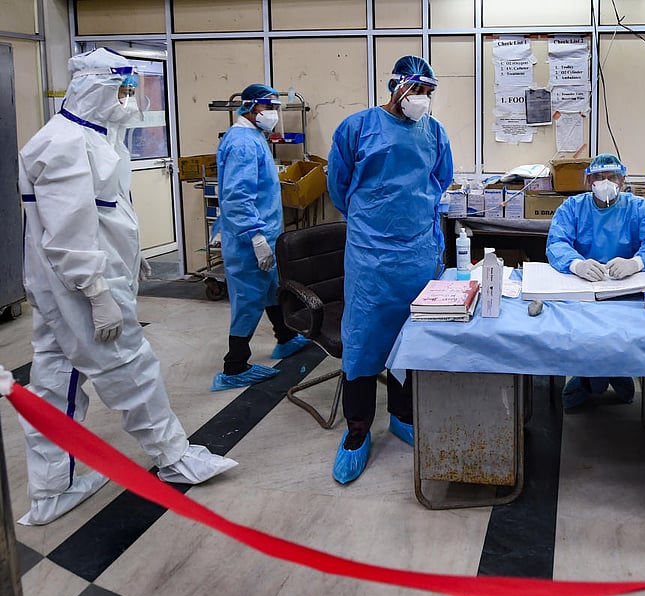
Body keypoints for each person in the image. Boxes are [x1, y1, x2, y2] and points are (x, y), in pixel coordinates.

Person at [16, 48, 237, 525]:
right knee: (131, 369)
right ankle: (173, 457)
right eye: (124, 89)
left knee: (56, 381)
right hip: (78, 289)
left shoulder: (97, 138)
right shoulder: (63, 144)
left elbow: (106, 214)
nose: (130, 99)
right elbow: (68, 234)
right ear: (94, 88)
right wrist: (97, 292)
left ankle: (54, 488)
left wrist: (130, 259)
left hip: (79, 281)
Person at [327, 55, 453, 483]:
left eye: (429, 93)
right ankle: (357, 433)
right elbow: (339, 187)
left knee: (411, 339)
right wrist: (373, 218)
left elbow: (441, 180)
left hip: (417, 253)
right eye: (417, 91)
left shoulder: (434, 132)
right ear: (396, 88)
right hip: (371, 256)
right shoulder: (357, 128)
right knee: (362, 344)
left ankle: (402, 415)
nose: (423, 100)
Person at [546, 154, 645, 409]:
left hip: (627, 290)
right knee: (584, 338)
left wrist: (636, 263)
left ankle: (617, 371)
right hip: (583, 289)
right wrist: (576, 264)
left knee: (622, 338)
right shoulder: (573, 207)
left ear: (623, 181)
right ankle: (588, 378)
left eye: (612, 177)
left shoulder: (638, 208)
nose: (605, 182)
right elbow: (557, 242)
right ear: (588, 181)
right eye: (599, 177)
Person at [210, 83, 309, 392]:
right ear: (254, 109)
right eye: (271, 108)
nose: (274, 115)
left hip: (259, 232)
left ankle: (285, 337)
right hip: (249, 239)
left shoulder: (251, 137)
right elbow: (237, 196)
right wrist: (255, 238)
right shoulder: (242, 143)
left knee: (270, 288)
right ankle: (234, 367)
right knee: (249, 299)